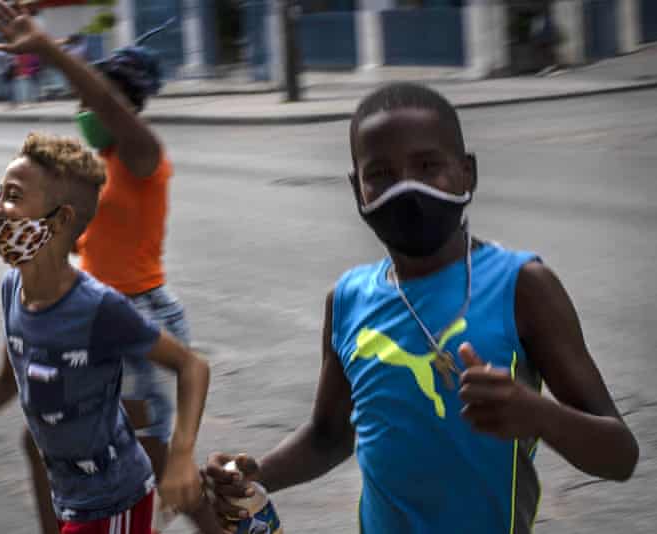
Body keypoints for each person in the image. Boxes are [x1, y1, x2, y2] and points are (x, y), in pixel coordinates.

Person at [202, 83, 639, 533]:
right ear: (358, 191)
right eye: (381, 175)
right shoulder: (348, 299)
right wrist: (256, 477)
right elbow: (328, 436)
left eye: (428, 166)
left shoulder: (522, 287)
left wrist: (540, 415)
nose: (405, 189)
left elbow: (620, 456)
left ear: (466, 173)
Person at [0, 132, 211, 534]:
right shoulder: (11, 289)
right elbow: (4, 380)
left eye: (12, 197)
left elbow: (192, 367)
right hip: (69, 498)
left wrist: (183, 456)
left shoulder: (99, 307)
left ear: (62, 219)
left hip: (115, 500)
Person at [0, 4, 219, 534]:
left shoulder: (142, 155)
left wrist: (46, 48)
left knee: (155, 459)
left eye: (90, 100)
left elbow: (106, 102)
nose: (82, 109)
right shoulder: (99, 168)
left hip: (135, 312)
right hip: (90, 314)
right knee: (45, 442)